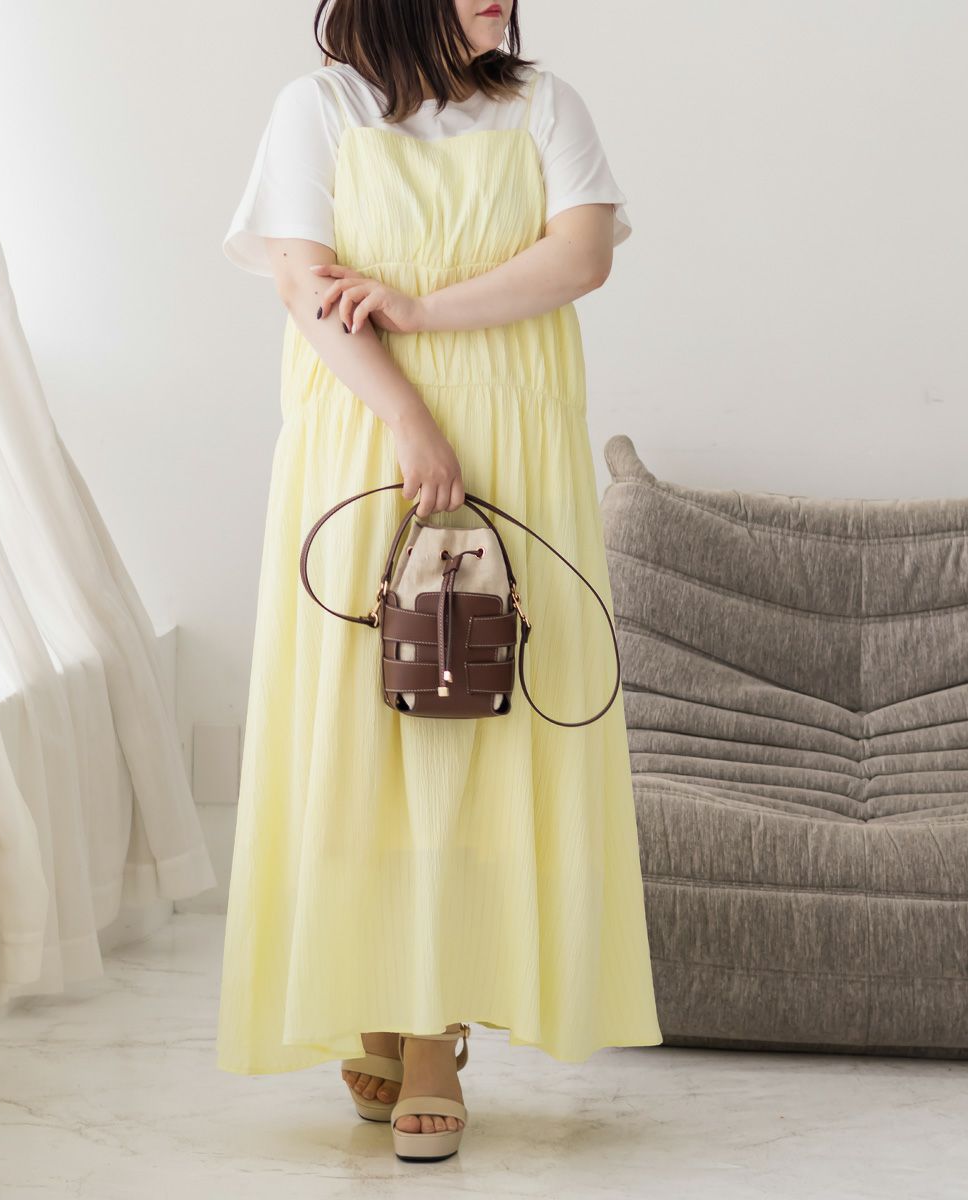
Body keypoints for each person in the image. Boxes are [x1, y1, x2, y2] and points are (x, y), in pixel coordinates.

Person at [216, 0, 663, 1164]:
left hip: (516, 440)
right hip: (362, 438)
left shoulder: (544, 104)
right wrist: (410, 417)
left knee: (476, 731)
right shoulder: (318, 108)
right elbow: (308, 290)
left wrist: (421, 308)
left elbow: (582, 257)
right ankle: (377, 992)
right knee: (364, 735)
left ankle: (428, 1034)